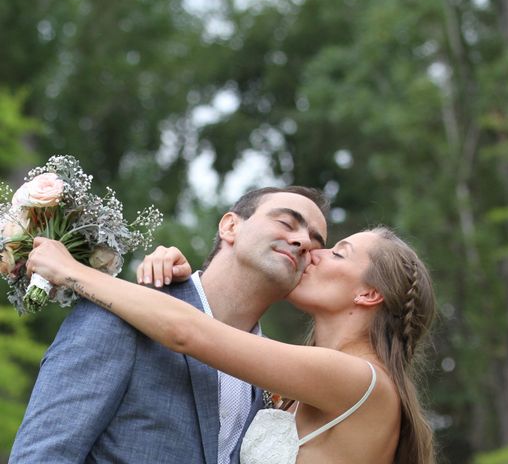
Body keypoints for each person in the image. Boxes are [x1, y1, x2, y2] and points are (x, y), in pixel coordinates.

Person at [25, 225, 437, 463]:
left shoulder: (357, 378)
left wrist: (71, 269)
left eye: (338, 254)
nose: (314, 253)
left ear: (368, 295)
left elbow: (188, 332)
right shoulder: (294, 387)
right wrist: (184, 282)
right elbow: (210, 328)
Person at [9, 186, 329, 464]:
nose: (303, 241)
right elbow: (44, 454)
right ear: (230, 226)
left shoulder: (270, 376)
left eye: (316, 245)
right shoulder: (116, 315)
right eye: (287, 223)